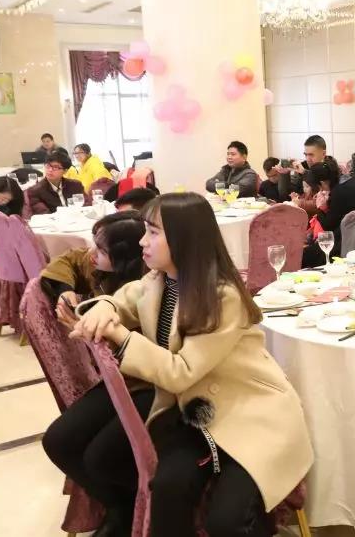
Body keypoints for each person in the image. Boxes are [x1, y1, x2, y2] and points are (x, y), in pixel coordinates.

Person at [53, 193, 313, 537]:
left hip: (248, 412)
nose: (142, 241)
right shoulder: (157, 281)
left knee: (227, 520)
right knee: (167, 488)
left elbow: (180, 373)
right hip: (194, 414)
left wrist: (119, 334)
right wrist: (105, 306)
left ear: (183, 238)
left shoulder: (221, 296)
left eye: (153, 232)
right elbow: (122, 299)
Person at [40, 211, 146, 320]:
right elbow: (67, 260)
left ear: (124, 259)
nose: (92, 252)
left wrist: (79, 326)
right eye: (94, 243)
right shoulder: (95, 262)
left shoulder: (139, 293)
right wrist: (65, 289)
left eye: (102, 252)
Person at [302, 158, 355, 267]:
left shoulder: (338, 192)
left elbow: (328, 225)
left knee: (307, 255)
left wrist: (320, 208)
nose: (321, 191)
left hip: (351, 236)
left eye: (319, 188)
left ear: (322, 183)